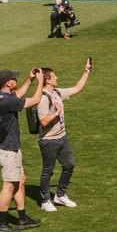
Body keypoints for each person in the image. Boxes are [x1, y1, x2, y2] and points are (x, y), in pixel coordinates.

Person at [0, 68, 46, 232]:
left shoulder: (0, 96)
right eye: (13, 78)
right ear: (8, 83)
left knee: (20, 180)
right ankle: (0, 224)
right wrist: (41, 81)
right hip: (8, 151)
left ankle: (22, 219)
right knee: (8, 186)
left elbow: (18, 95)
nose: (15, 80)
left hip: (10, 148)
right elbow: (34, 101)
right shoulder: (6, 102)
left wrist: (30, 80)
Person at [34, 61, 92, 213]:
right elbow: (44, 121)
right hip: (49, 141)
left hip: (62, 138)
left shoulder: (57, 93)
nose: (56, 77)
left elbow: (77, 88)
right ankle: (45, 200)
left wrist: (86, 72)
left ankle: (60, 195)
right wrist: (57, 112)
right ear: (47, 80)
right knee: (48, 170)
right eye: (53, 76)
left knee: (69, 165)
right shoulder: (43, 99)